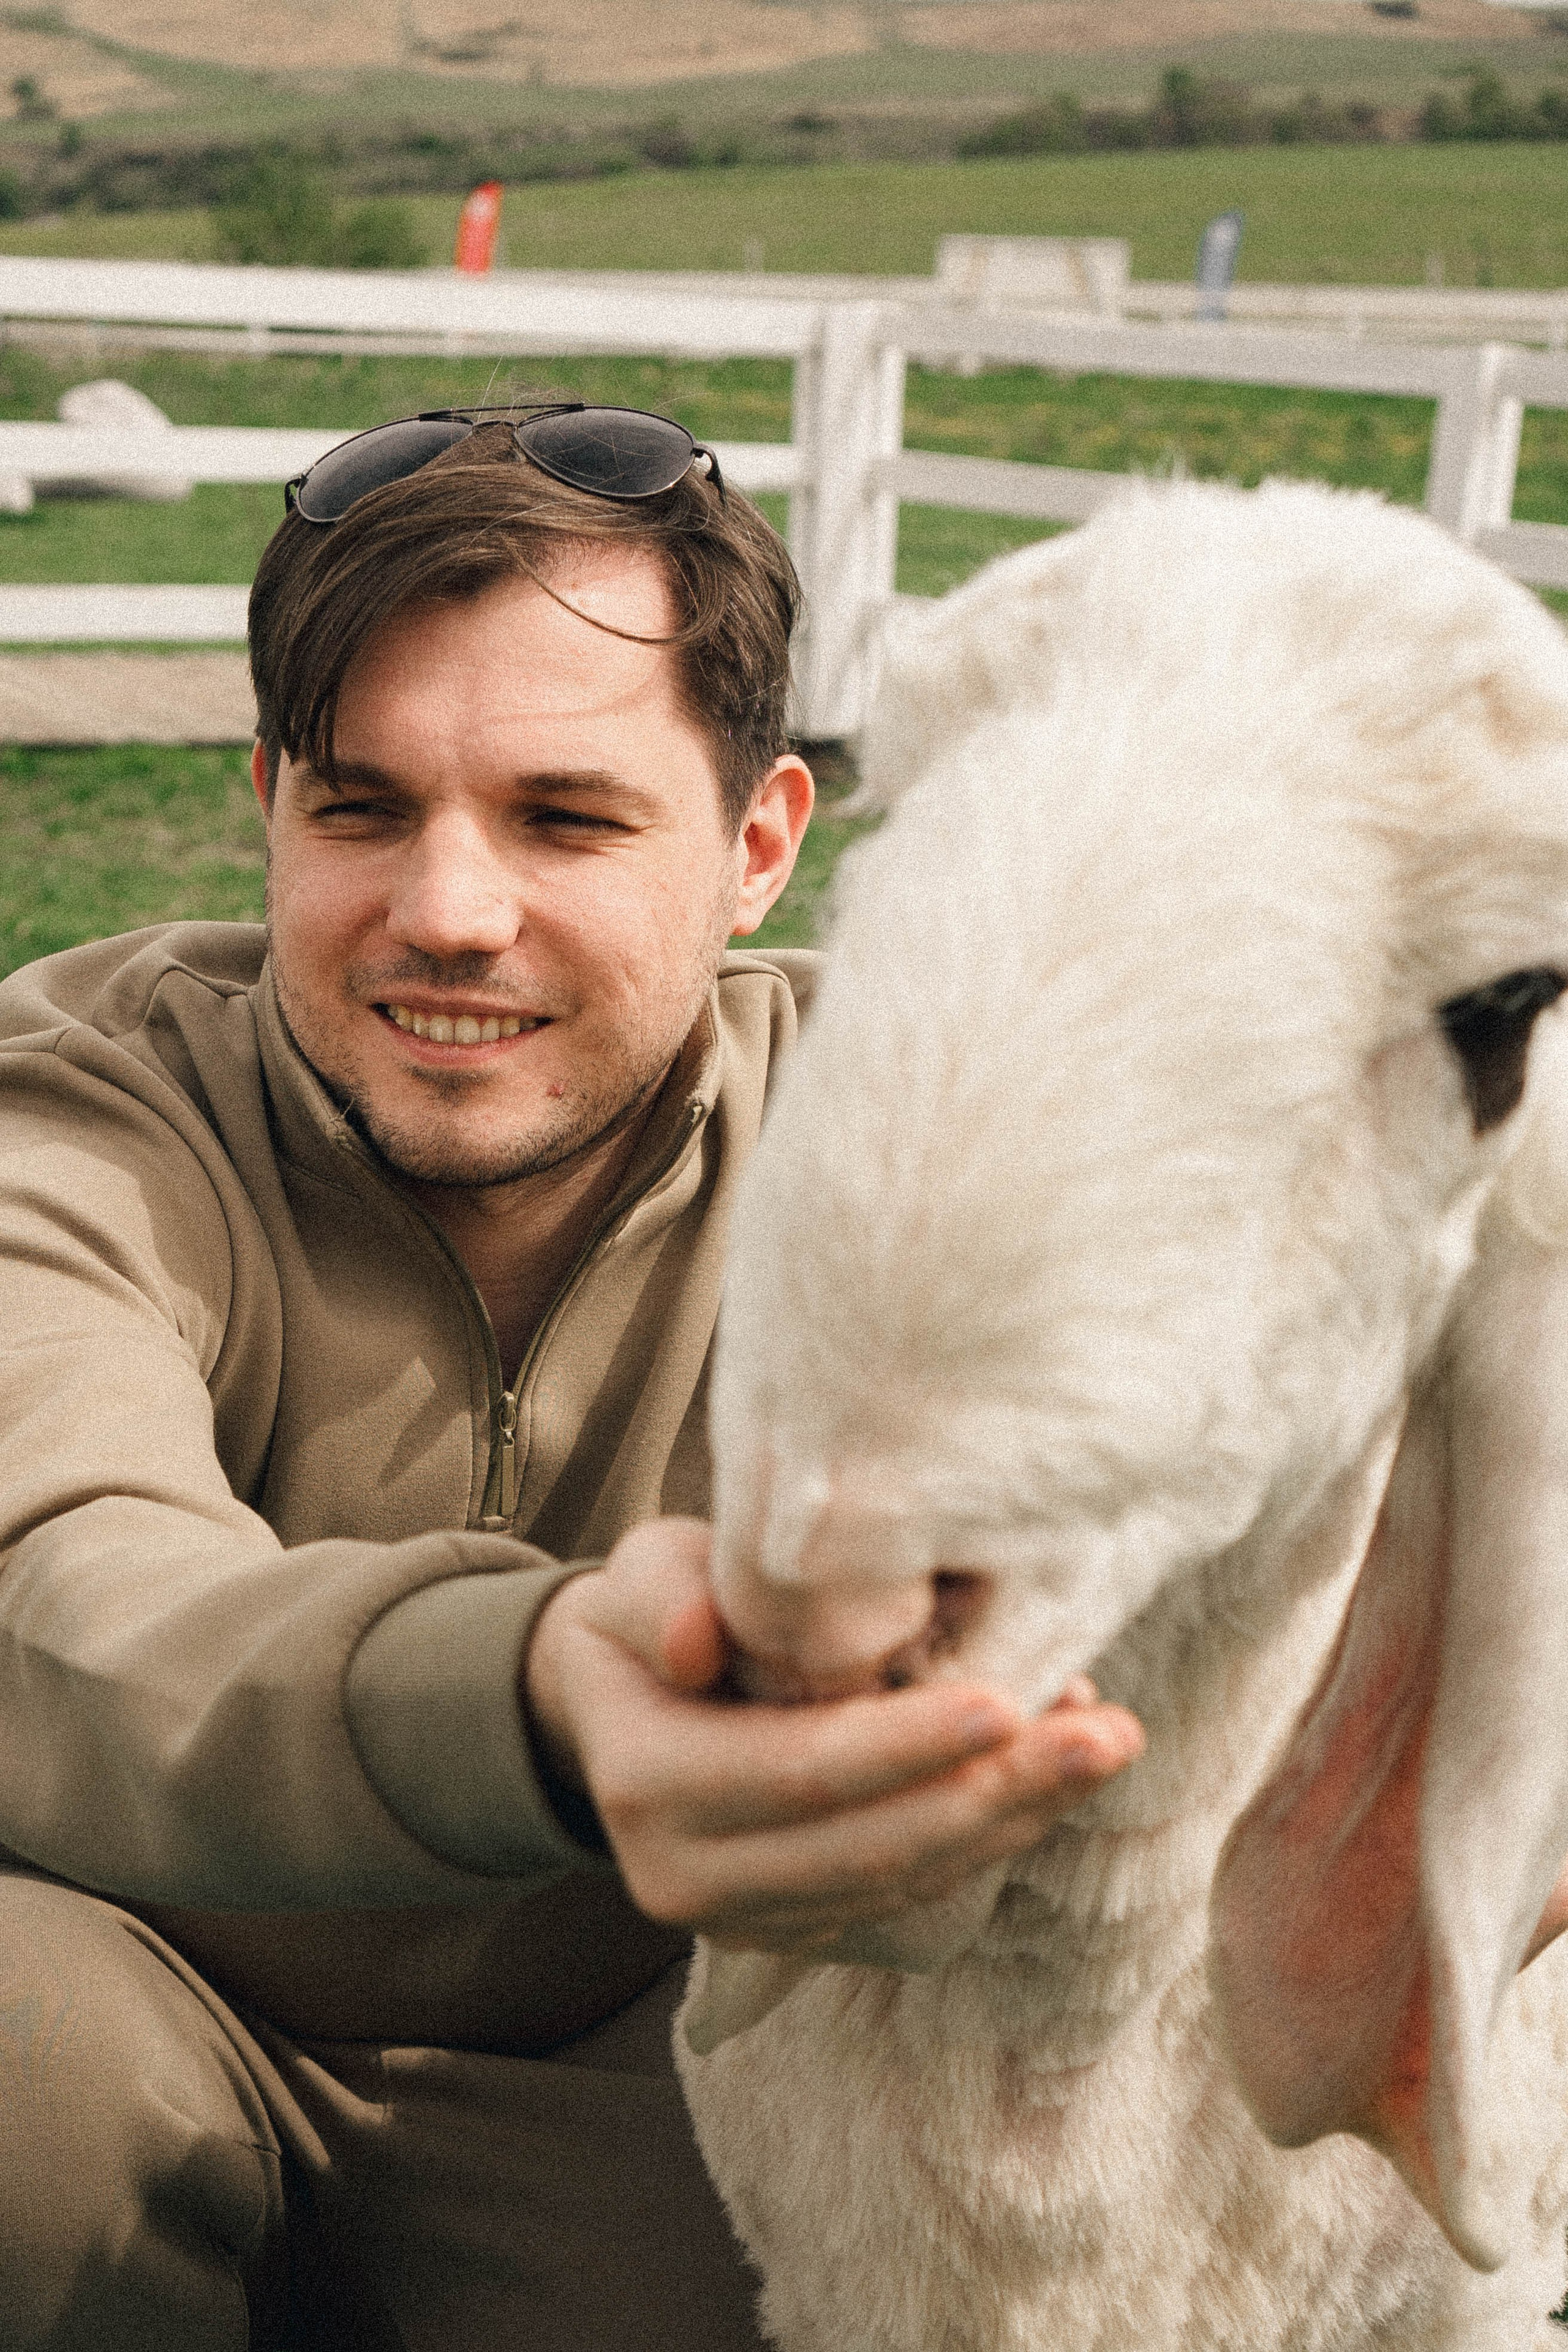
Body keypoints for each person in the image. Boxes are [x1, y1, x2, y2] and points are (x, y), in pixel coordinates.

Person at [0, 405, 1144, 2351]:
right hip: (130, 2002)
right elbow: (63, 1582)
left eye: (567, 817)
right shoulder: (86, 1112)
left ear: (759, 845)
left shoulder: (933, 1144)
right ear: (268, 802)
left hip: (676, 2068)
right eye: (364, 808)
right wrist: (544, 1697)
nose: (451, 911)